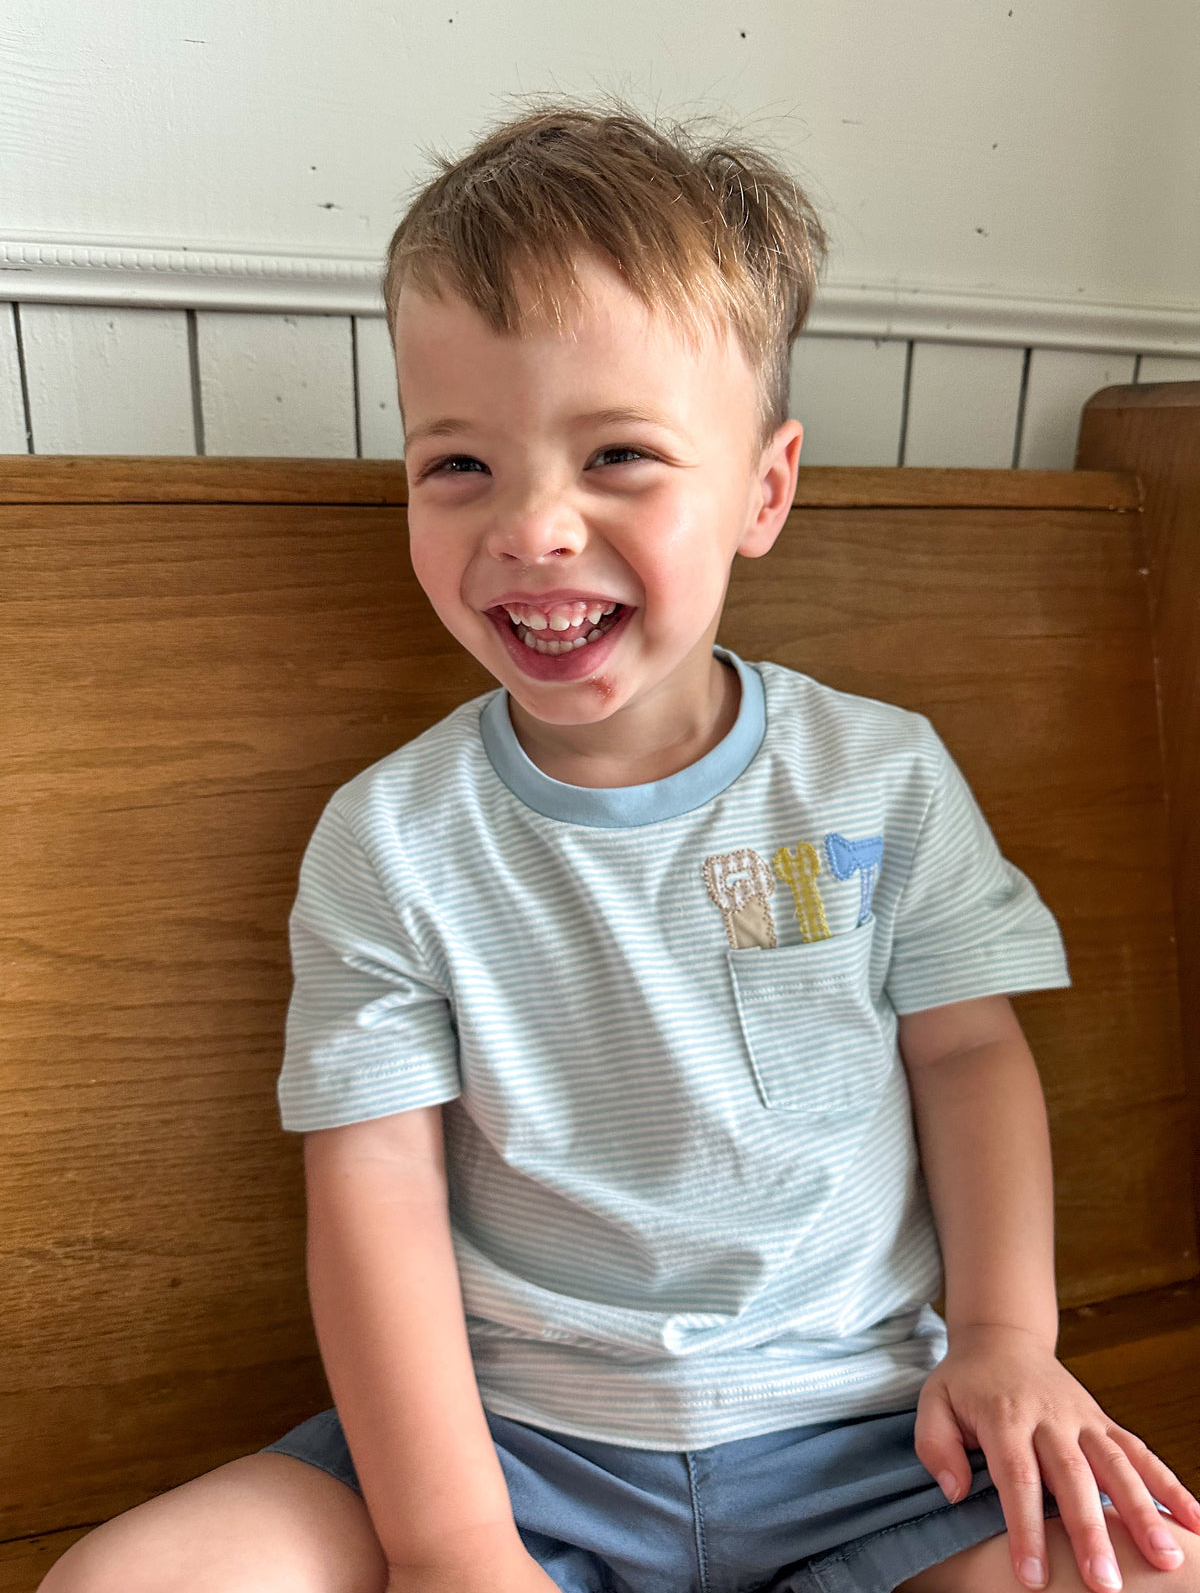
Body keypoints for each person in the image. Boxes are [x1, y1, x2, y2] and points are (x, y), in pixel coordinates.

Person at [41, 103, 1200, 1593]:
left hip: (877, 1440)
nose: (533, 526)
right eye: (459, 465)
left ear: (764, 490)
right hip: (506, 1451)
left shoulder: (881, 775)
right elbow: (375, 1189)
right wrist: (455, 1546)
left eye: (620, 456)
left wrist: (1005, 1342)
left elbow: (971, 1057)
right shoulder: (390, 840)